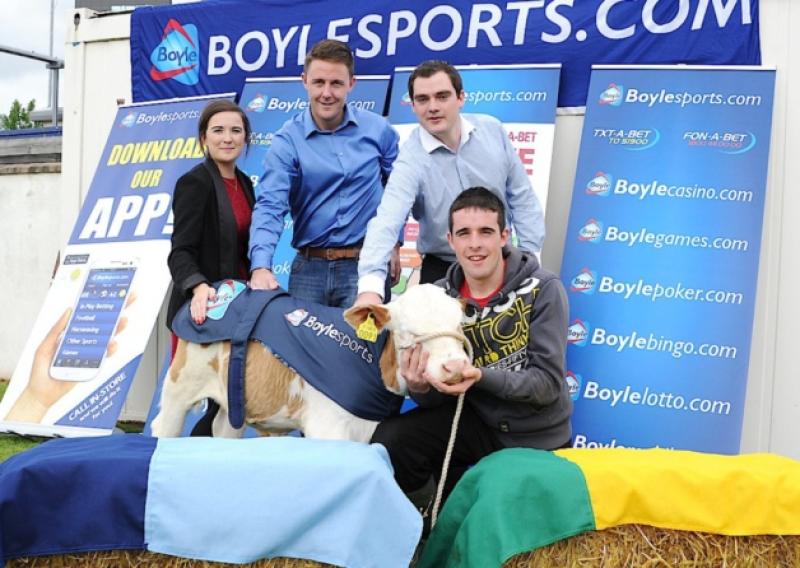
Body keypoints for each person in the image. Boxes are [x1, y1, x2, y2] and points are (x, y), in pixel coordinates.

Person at [370, 187, 571, 501]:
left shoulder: (544, 288)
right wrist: (421, 388)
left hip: (534, 431)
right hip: (475, 421)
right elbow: (438, 399)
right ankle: (425, 526)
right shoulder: (437, 296)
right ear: (450, 241)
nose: (475, 244)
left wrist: (480, 375)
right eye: (464, 233)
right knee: (391, 440)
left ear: (504, 236)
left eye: (486, 232)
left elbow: (546, 385)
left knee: (502, 519)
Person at [355, 60, 546, 306]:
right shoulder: (410, 159)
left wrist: (529, 260)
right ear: (412, 106)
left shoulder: (493, 131)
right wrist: (369, 289)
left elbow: (523, 198)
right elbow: (387, 221)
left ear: (461, 98)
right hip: (442, 272)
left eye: (442, 96)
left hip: (500, 264)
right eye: (423, 99)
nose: (433, 107)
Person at [249, 39, 400, 307]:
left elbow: (399, 192)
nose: (327, 93)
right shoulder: (287, 141)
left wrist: (395, 243)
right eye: (319, 82)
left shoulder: (379, 130)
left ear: (351, 83)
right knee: (301, 348)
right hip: (308, 272)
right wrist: (260, 266)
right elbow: (271, 205)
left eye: (336, 83)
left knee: (365, 349)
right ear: (304, 80)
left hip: (365, 267)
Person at [167, 99, 254, 435]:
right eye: (218, 130)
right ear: (204, 137)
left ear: (246, 137)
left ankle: (206, 470)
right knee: (189, 399)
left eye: (236, 130)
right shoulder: (195, 183)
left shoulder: (245, 184)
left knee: (230, 403)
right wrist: (199, 286)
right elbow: (180, 252)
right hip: (201, 312)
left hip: (238, 312)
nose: (227, 138)